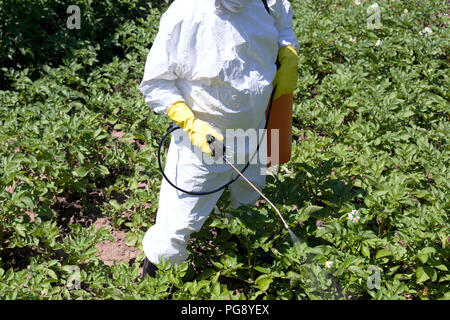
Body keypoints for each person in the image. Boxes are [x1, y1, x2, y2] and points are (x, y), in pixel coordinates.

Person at [139, 0, 299, 278]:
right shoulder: (185, 12)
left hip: (256, 128)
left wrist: (288, 50)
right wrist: (189, 122)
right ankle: (156, 278)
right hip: (203, 142)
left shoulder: (268, 2)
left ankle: (240, 243)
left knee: (249, 196)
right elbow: (156, 83)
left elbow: (283, 27)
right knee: (179, 221)